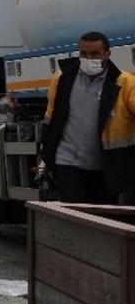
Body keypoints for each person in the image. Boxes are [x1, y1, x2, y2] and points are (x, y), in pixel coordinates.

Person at [40, 31, 135, 204]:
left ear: (107, 54)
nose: (89, 58)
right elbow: (50, 120)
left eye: (95, 54)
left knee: (103, 218)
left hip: (107, 166)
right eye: (84, 54)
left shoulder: (125, 84)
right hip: (68, 161)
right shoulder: (62, 80)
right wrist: (45, 157)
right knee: (75, 214)